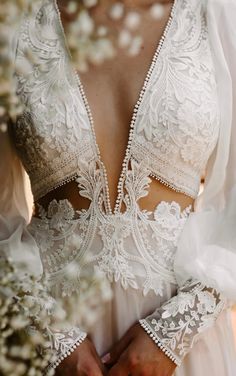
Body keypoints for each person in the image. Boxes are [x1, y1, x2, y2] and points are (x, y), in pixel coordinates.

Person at [1, 0, 236, 375]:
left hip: (185, 343)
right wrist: (50, 337)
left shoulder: (216, 14)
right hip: (46, 341)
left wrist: (172, 333)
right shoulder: (15, 25)